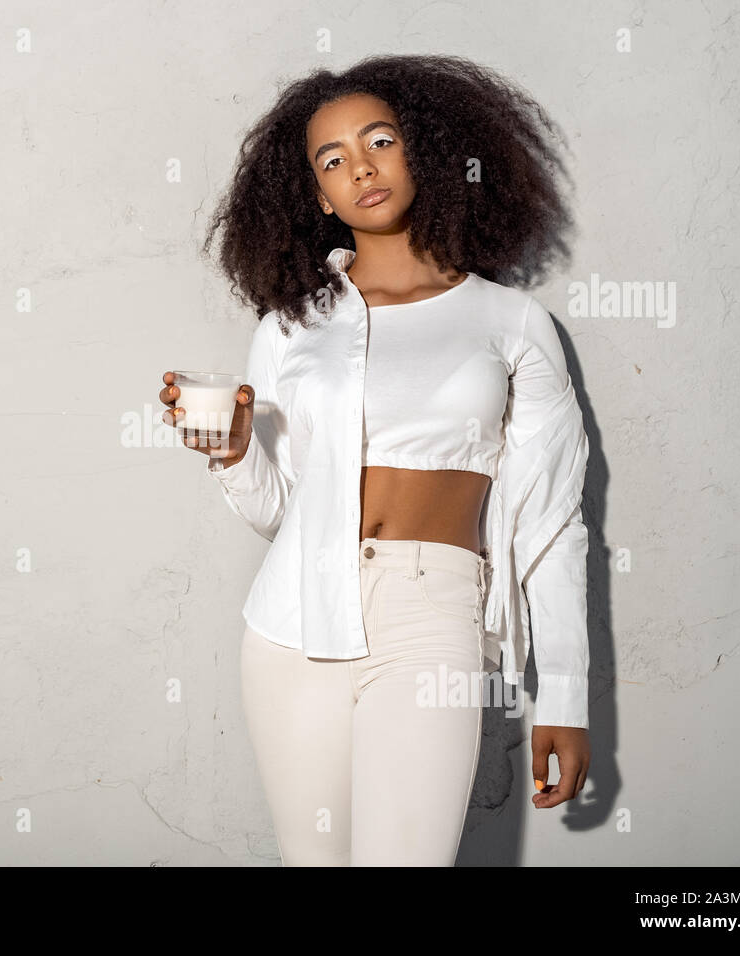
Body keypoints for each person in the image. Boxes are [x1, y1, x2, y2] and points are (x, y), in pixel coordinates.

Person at [158, 54, 591, 866]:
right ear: (319, 196)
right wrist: (233, 452)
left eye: (379, 140)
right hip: (293, 620)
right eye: (332, 159)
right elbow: (277, 508)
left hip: (433, 615)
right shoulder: (292, 325)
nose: (359, 166)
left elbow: (554, 522)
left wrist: (565, 693)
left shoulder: (512, 323)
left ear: (420, 152)